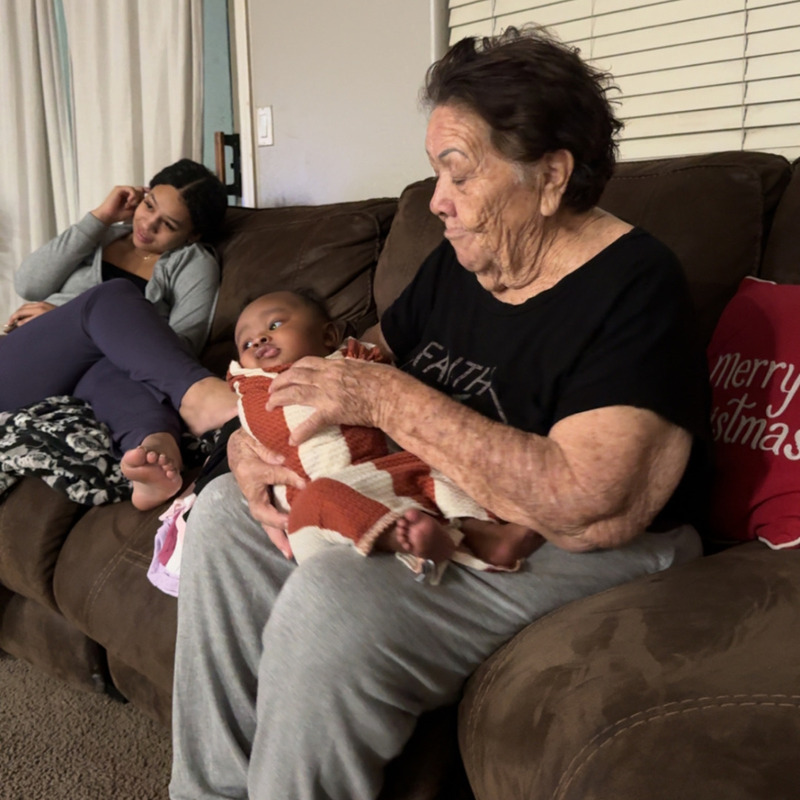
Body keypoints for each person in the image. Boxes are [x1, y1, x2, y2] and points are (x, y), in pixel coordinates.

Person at [170, 25, 711, 800]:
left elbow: (589, 503)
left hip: (583, 545)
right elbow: (357, 362)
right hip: (438, 498)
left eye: (458, 172)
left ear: (551, 176)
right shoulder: (461, 264)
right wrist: (253, 443)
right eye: (435, 172)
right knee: (225, 511)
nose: (437, 202)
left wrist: (389, 400)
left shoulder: (635, 286)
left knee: (332, 605)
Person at [229, 289, 540, 579]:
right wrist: (237, 444)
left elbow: (387, 378)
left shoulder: (352, 361)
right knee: (317, 500)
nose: (258, 340)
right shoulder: (250, 388)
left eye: (275, 324)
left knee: (436, 477)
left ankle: (485, 535)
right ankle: (406, 538)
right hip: (312, 510)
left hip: (383, 470)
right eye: (246, 343)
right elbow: (244, 427)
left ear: (328, 336)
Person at [0, 159, 237, 510]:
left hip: (85, 380)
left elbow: (180, 345)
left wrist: (102, 336)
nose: (148, 224)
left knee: (120, 374)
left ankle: (152, 448)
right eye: (149, 205)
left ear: (192, 235)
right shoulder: (103, 235)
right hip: (18, 366)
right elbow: (29, 284)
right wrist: (100, 217)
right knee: (112, 297)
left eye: (168, 224)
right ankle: (197, 393)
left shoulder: (192, 261)